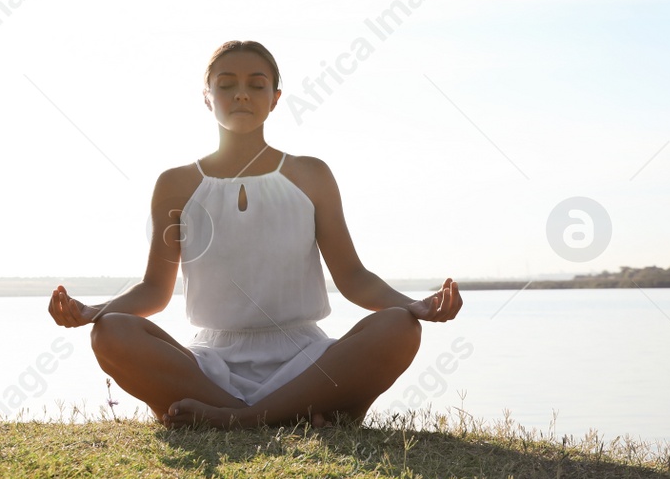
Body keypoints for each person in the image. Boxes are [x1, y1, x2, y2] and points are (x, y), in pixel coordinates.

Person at [47, 39, 461, 429]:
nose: (241, 94)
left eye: (256, 84)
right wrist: (92, 312)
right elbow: (155, 291)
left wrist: (415, 306)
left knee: (400, 328)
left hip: (306, 359)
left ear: (275, 98)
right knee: (113, 332)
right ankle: (292, 414)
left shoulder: (311, 174)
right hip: (211, 366)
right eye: (226, 85)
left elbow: (353, 277)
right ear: (206, 96)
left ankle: (238, 420)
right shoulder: (175, 184)